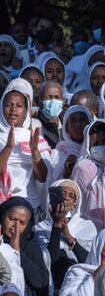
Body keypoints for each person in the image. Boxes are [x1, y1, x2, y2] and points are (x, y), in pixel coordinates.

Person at [0, 80, 51, 209]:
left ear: (26, 110)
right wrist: (8, 148)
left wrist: (34, 152)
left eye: (19, 105)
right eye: (8, 105)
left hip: (30, 204)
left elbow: (43, 177)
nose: (13, 109)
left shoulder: (35, 139)